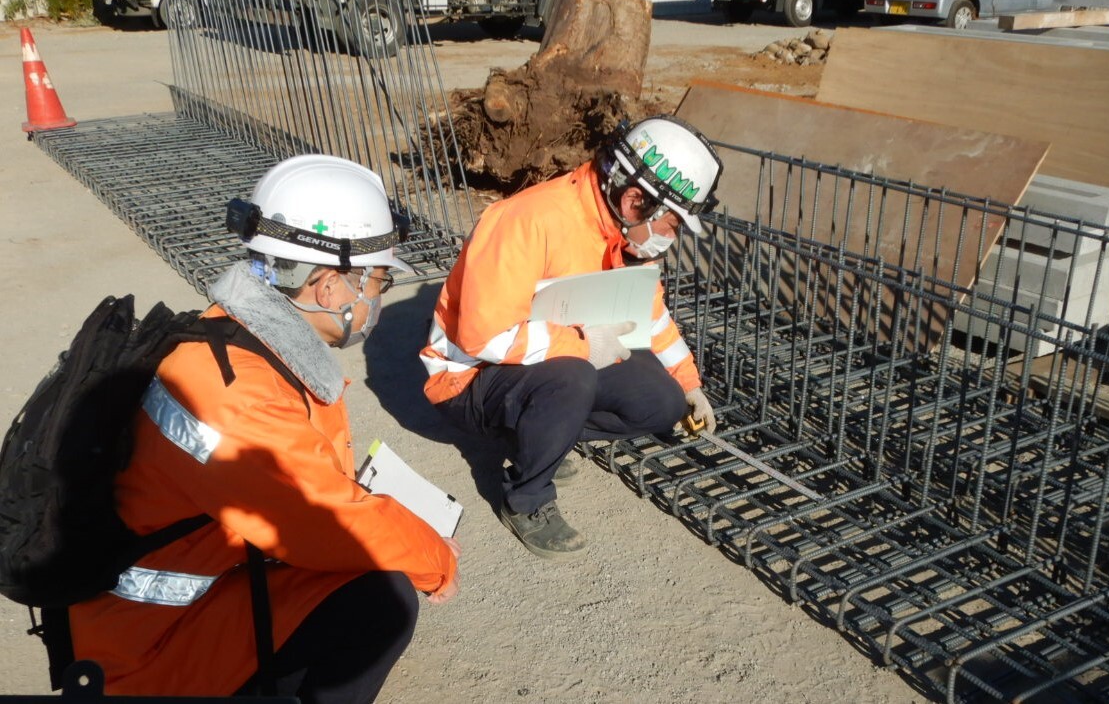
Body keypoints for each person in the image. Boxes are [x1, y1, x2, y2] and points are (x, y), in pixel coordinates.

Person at [65, 154, 460, 703]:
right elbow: (322, 520)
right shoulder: (235, 389)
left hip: (184, 601)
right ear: (328, 287)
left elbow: (301, 492)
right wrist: (434, 557)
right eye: (377, 279)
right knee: (383, 600)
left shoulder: (239, 339)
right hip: (144, 652)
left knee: (365, 575)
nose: (377, 297)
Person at [420, 115, 723, 560]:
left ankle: (541, 435)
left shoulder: (621, 231)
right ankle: (527, 499)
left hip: (544, 360)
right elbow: (483, 336)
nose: (672, 239)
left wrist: (688, 382)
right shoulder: (529, 220)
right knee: (572, 377)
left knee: (660, 401)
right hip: (466, 378)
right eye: (673, 225)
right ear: (636, 199)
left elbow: (651, 313)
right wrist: (582, 346)